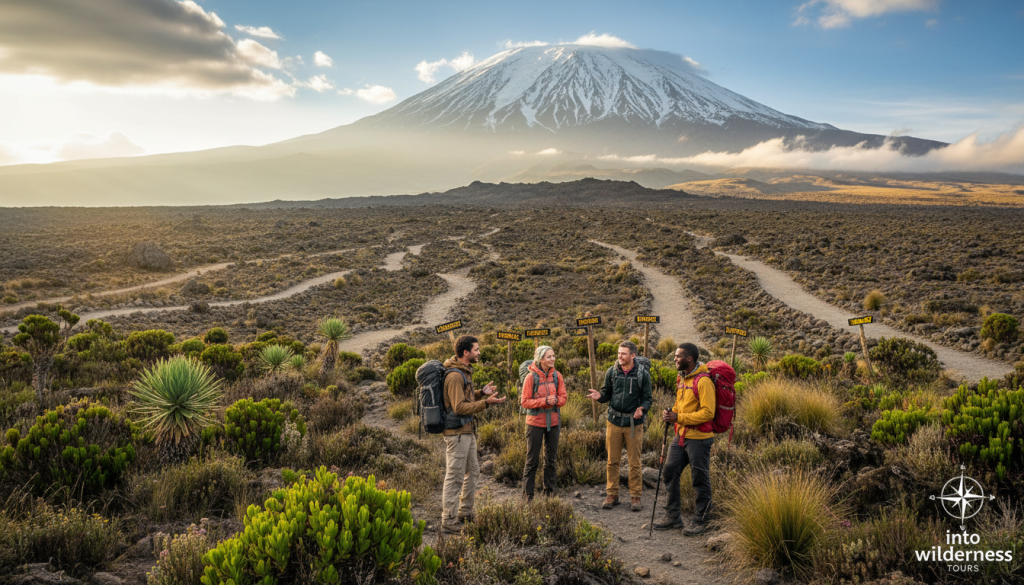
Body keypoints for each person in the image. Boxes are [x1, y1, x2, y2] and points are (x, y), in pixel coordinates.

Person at [441, 335, 506, 532]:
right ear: (466, 352)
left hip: (467, 431)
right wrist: (486, 403)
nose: (479, 353)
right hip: (457, 433)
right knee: (455, 476)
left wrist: (480, 393)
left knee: (473, 471)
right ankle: (449, 520)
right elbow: (459, 407)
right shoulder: (453, 376)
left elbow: (464, 398)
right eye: (476, 349)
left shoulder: (465, 372)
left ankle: (465, 513)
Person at [654, 342, 715, 536]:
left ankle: (701, 520)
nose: (674, 359)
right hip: (681, 436)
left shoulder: (703, 381)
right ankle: (673, 517)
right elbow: (682, 405)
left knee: (699, 478)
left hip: (699, 438)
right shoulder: (682, 378)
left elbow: (708, 412)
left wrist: (679, 418)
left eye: (678, 356)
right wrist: (672, 412)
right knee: (670, 471)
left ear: (689, 358)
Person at [586, 340, 652, 512]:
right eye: (618, 353)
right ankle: (612, 494)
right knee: (612, 461)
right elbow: (607, 392)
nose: (620, 356)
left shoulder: (642, 374)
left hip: (633, 424)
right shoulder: (612, 371)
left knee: (635, 463)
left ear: (632, 355)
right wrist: (600, 396)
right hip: (614, 421)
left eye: (623, 353)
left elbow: (647, 398)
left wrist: (642, 409)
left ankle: (635, 497)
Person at [521, 345, 568, 501]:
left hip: (554, 422)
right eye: (549, 357)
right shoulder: (530, 378)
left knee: (551, 459)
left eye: (553, 356)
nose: (553, 359)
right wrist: (545, 401)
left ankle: (549, 491)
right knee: (532, 459)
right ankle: (528, 494)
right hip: (534, 424)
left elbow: (563, 397)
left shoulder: (557, 376)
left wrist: (557, 402)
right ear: (540, 359)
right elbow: (525, 402)